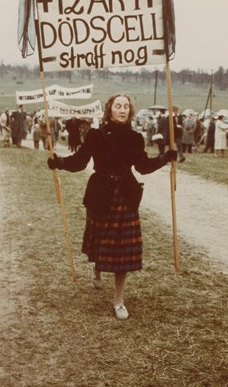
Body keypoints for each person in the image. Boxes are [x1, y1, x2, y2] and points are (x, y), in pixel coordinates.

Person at [47, 94, 177, 320]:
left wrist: (166, 157)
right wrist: (59, 162)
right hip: (100, 192)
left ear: (130, 111)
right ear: (109, 110)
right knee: (100, 239)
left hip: (126, 195)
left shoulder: (135, 138)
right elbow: (79, 162)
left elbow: (143, 167)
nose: (122, 110)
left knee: (123, 250)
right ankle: (97, 267)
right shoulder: (96, 135)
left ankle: (118, 300)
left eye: (126, 106)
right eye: (118, 106)